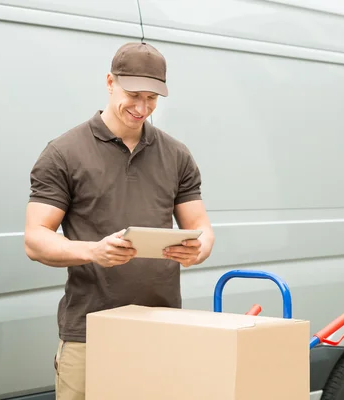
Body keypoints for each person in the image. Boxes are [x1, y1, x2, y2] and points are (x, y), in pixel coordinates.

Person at [23, 41, 215, 400]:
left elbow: (202, 227)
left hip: (161, 327)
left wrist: (198, 249)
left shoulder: (176, 155)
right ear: (110, 82)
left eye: (153, 99)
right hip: (89, 333)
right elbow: (35, 239)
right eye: (134, 94)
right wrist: (94, 251)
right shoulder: (64, 153)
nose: (143, 108)